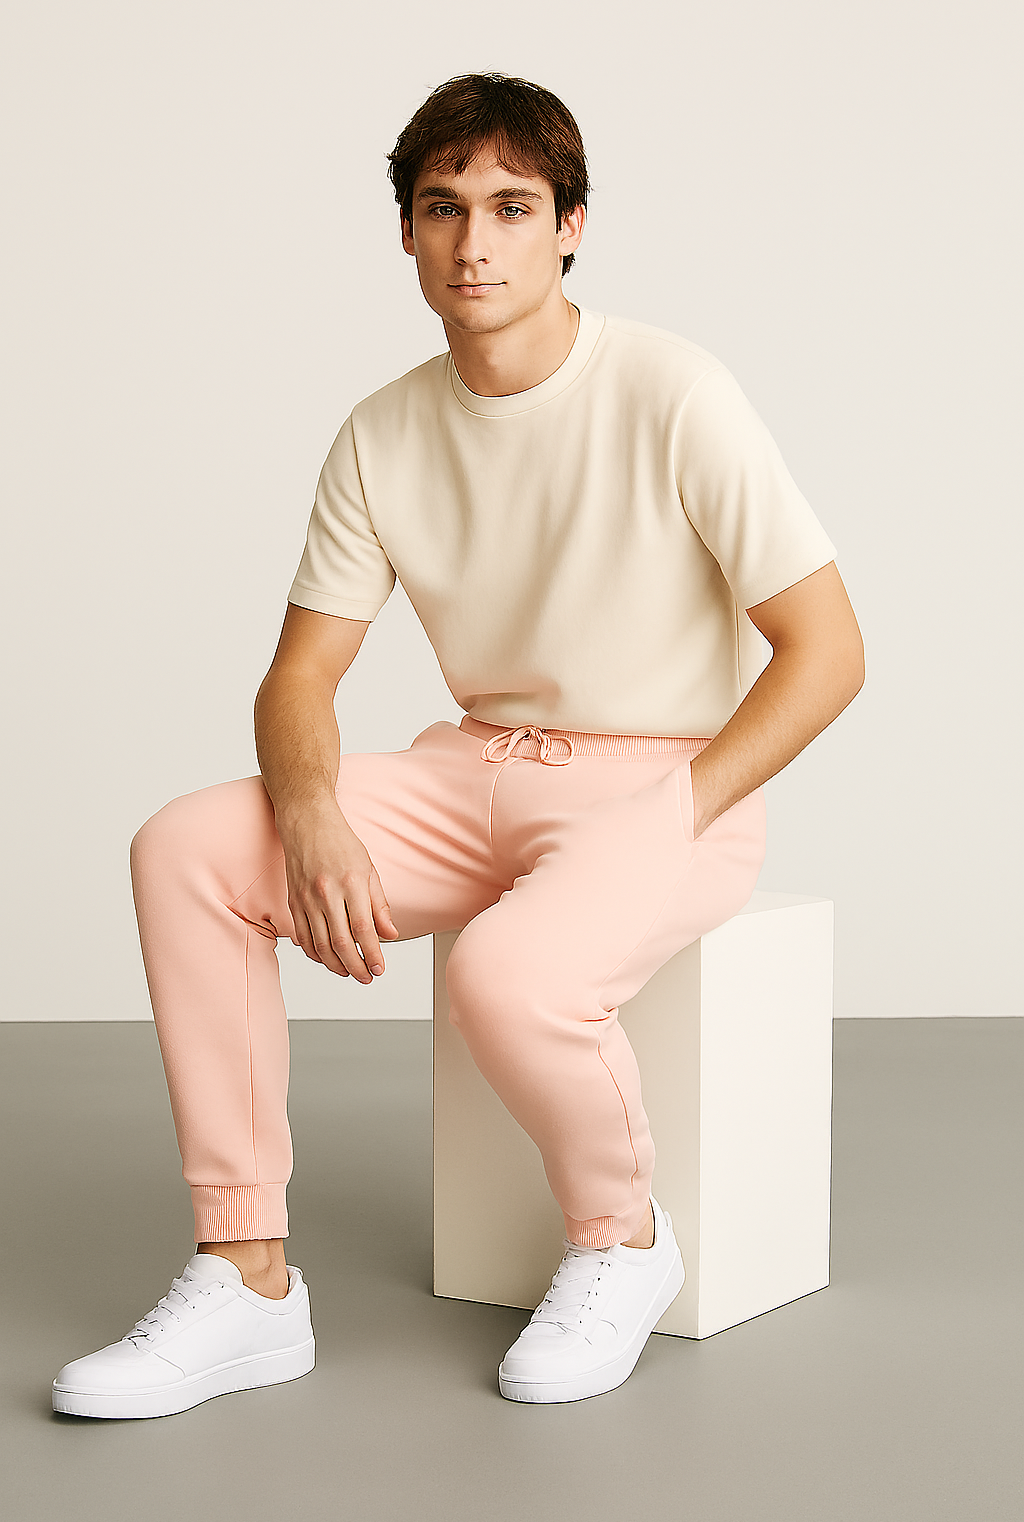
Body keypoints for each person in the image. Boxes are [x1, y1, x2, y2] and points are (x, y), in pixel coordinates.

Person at [52, 71, 864, 1418]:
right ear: (409, 235)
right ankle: (248, 1277)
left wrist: (680, 809)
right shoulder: (384, 430)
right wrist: (307, 813)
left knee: (508, 974)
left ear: (572, 227)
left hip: (670, 778)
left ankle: (623, 1239)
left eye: (510, 206)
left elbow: (829, 651)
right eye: (442, 209)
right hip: (472, 765)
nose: (474, 242)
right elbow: (302, 673)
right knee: (185, 848)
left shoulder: (673, 389)